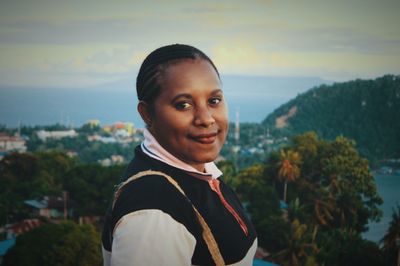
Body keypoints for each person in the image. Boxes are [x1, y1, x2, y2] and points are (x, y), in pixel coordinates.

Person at [102, 44, 257, 266]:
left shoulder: (199, 172)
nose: (206, 118)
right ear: (147, 113)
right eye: (183, 105)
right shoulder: (152, 213)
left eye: (214, 101)